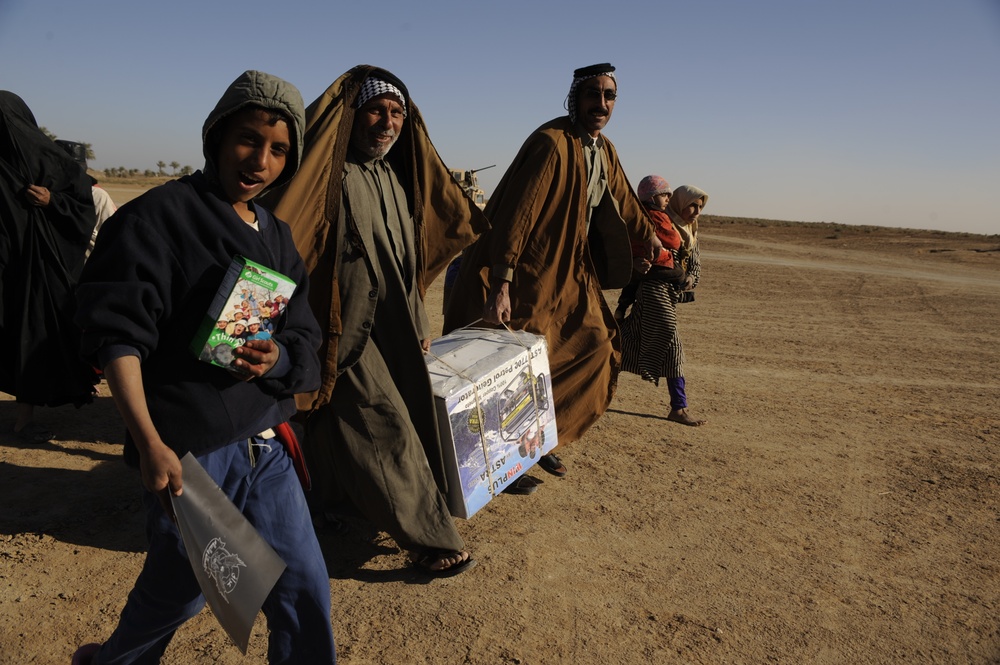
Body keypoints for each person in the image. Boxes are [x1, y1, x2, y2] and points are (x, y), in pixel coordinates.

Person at [71, 70, 337, 664]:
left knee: (302, 586)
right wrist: (148, 444)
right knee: (182, 593)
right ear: (217, 136)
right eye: (247, 139)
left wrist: (280, 356)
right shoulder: (157, 219)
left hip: (267, 445)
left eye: (278, 149)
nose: (259, 160)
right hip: (192, 454)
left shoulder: (278, 235)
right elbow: (119, 339)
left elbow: (303, 334)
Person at [264, 65, 488, 576]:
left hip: (392, 328)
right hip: (341, 326)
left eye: (396, 113)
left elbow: (405, 266)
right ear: (352, 115)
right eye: (376, 110)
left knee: (341, 424)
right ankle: (429, 538)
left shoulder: (391, 177)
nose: (387, 122)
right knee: (383, 423)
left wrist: (419, 321)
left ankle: (325, 503)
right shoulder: (327, 176)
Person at [443, 63, 659, 491]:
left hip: (571, 270)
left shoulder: (603, 148)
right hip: (530, 271)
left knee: (595, 347)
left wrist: (648, 237)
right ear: (575, 98)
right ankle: (504, 462)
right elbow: (517, 216)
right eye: (593, 94)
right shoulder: (551, 144)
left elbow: (623, 199)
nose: (601, 104)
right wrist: (501, 280)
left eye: (609, 96)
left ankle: (537, 440)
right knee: (519, 371)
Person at [0, 91, 99, 443]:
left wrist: (52, 202)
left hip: (37, 274)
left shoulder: (51, 164)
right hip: (7, 270)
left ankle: (23, 422)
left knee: (31, 336)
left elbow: (81, 208)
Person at [620, 183, 708, 426]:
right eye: (692, 205)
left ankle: (588, 381)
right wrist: (637, 263)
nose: (697, 211)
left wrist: (689, 279)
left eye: (700, 206)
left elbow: (695, 267)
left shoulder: (690, 233)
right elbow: (631, 250)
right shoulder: (654, 221)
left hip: (670, 294)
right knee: (673, 346)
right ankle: (678, 408)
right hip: (652, 291)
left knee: (625, 340)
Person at [614, 175, 674, 322]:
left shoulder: (634, 214)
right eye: (664, 195)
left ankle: (622, 306)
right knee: (678, 274)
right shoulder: (657, 216)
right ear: (653, 197)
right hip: (653, 261)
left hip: (634, 261)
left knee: (631, 285)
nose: (668, 199)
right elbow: (672, 241)